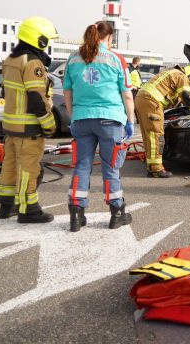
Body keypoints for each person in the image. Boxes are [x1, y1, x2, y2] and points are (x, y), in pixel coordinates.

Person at [63, 21, 135, 232]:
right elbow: (127, 94)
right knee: (111, 168)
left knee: (81, 166)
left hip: (82, 120)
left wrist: (73, 115)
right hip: (110, 121)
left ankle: (76, 216)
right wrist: (130, 121)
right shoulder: (116, 59)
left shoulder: (73, 58)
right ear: (109, 37)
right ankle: (117, 213)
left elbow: (67, 91)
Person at [0, 17, 59, 223]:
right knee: (29, 169)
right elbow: (35, 98)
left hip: (10, 125)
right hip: (28, 126)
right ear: (39, 39)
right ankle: (28, 209)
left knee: (10, 165)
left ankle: (7, 205)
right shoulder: (32, 63)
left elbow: (5, 92)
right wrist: (49, 125)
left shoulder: (10, 60)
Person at [135, 65, 190, 178]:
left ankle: (152, 165)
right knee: (156, 136)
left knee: (149, 135)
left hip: (142, 99)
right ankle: (156, 169)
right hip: (151, 101)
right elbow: (187, 96)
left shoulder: (171, 73)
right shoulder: (181, 76)